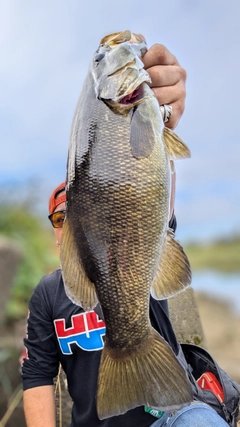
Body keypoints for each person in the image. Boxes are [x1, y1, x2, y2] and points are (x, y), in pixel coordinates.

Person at [21, 44, 229, 427]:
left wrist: (160, 120)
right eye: (59, 216)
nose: (68, 221)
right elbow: (36, 374)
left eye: (76, 210)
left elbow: (151, 202)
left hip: (173, 415)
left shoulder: (142, 254)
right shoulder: (48, 295)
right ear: (57, 232)